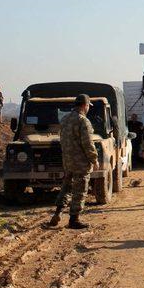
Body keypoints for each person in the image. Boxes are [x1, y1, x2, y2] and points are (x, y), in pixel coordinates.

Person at [48, 94, 99, 229]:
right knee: (80, 190)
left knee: (66, 187)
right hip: (80, 162)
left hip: (68, 161)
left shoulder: (65, 119)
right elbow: (88, 143)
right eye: (88, 106)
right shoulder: (83, 121)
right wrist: (94, 159)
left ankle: (58, 212)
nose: (88, 108)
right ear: (85, 105)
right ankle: (74, 220)